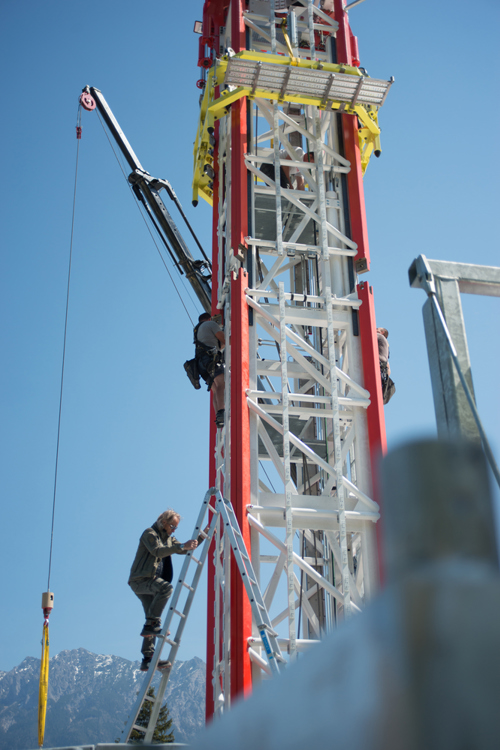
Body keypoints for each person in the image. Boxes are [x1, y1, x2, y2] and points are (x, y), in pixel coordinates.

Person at [128, 509, 208, 671]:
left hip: (149, 581)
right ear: (163, 523)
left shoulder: (169, 539)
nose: (173, 530)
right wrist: (180, 546)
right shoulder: (149, 533)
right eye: (172, 526)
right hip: (141, 580)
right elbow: (157, 551)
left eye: (175, 528)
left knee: (151, 618)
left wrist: (200, 537)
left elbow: (183, 548)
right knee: (165, 590)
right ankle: (152, 625)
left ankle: (148, 659)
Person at [194, 312, 225, 427]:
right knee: (222, 383)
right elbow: (225, 340)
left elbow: (216, 344)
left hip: (201, 364)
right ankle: (222, 412)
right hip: (210, 360)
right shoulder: (211, 324)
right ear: (210, 319)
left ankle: (218, 416)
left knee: (215, 389)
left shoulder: (197, 330)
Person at [377, 327, 395, 404]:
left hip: (379, 362)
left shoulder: (380, 336)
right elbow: (389, 370)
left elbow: (369, 335)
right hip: (382, 367)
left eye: (377, 328)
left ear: (382, 332)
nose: (375, 328)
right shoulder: (386, 345)